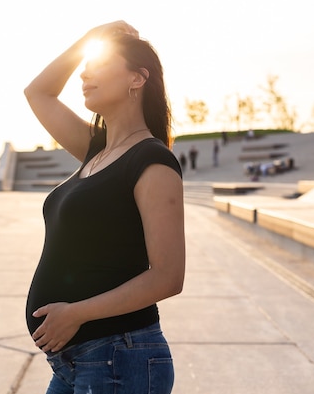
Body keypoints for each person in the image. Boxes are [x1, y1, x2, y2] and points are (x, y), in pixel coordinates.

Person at [24, 21, 185, 394]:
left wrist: (75, 314)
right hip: (77, 361)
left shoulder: (152, 162)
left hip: (118, 356)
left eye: (100, 64)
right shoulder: (97, 150)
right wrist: (89, 40)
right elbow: (38, 93)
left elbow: (168, 276)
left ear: (137, 79)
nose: (85, 72)